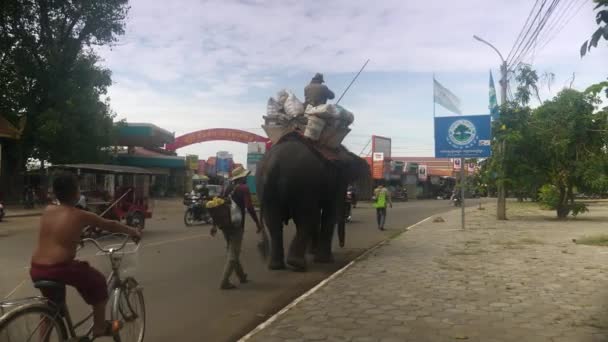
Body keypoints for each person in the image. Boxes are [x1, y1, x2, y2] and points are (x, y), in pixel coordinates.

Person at [30, 172, 141, 338]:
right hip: (59, 269)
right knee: (98, 282)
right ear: (76, 193)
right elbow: (109, 224)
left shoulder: (48, 210)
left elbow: (57, 235)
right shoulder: (80, 215)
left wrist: (76, 238)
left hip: (37, 269)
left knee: (51, 309)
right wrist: (132, 230)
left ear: (56, 193)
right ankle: (100, 327)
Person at [212, 166, 263, 290]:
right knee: (233, 254)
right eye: (245, 176)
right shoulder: (244, 188)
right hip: (237, 225)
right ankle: (224, 282)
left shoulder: (226, 188)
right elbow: (250, 207)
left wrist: (214, 225)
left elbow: (217, 206)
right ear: (242, 177)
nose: (246, 178)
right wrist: (257, 223)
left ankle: (242, 276)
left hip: (224, 225)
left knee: (233, 250)